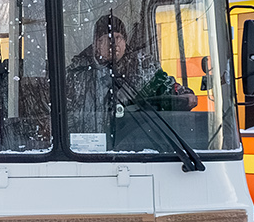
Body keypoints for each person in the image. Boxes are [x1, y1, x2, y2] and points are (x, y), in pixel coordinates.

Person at [65, 14, 196, 138]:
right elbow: (61, 114)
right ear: (97, 44)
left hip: (134, 149)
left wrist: (184, 94)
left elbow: (167, 87)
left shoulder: (143, 67)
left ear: (125, 41)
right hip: (86, 153)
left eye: (118, 38)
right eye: (107, 38)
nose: (114, 44)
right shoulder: (77, 74)